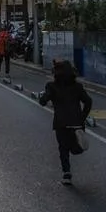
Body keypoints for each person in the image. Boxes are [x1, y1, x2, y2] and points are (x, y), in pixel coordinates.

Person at [38, 59, 93, 187]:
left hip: (61, 123)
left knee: (63, 148)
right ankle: (75, 150)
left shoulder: (51, 86)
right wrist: (82, 117)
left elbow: (43, 101)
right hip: (77, 123)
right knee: (76, 148)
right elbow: (88, 102)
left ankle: (66, 172)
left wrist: (44, 98)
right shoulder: (77, 87)